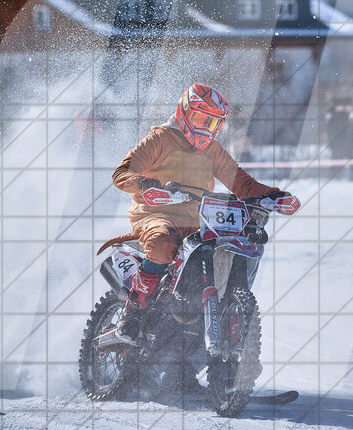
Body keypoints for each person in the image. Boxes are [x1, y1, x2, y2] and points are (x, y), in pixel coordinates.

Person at [108, 83, 295, 344]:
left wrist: (271, 195)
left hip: (199, 220)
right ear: (184, 111)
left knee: (230, 249)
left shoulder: (212, 149)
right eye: (199, 118)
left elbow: (241, 182)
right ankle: (134, 313)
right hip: (155, 213)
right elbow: (122, 171)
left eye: (212, 123)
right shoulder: (161, 138)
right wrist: (142, 183)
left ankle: (208, 348)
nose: (204, 127)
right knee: (163, 243)